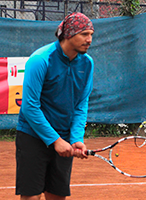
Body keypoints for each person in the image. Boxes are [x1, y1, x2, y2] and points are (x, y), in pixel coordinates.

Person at [16, 12, 94, 200]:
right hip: (32, 135)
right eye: (84, 34)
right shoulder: (40, 59)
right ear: (68, 34)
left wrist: (75, 138)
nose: (89, 40)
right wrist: (54, 140)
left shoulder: (87, 63)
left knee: (57, 196)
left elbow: (81, 104)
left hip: (65, 136)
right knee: (32, 196)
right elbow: (29, 106)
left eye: (91, 34)